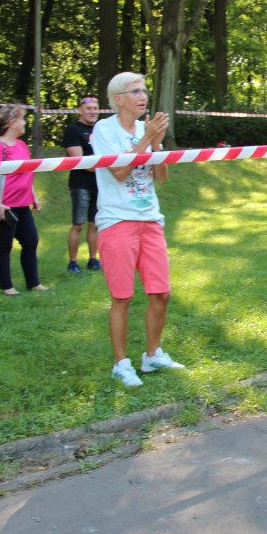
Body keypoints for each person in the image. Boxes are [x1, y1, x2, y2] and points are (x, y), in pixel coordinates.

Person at [92, 72, 182, 387]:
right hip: (117, 221)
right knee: (122, 297)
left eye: (144, 90)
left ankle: (152, 355)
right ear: (118, 99)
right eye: (135, 91)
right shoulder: (104, 130)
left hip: (151, 220)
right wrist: (146, 139)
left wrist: (155, 141)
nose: (143, 96)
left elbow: (162, 177)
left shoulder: (147, 129)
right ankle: (121, 363)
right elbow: (118, 171)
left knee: (162, 293)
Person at [0, 104, 49, 296]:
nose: (24, 122)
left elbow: (27, 173)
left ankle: (34, 283)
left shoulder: (21, 145)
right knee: (4, 246)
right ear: (12, 123)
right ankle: (7, 287)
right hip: (6, 206)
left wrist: (33, 196)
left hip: (23, 204)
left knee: (31, 242)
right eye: (22, 119)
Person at [62, 96, 102, 274]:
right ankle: (73, 263)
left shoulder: (101, 130)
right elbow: (80, 161)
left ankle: (93, 260)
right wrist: (108, 168)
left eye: (95, 108)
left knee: (94, 224)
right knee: (78, 224)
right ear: (80, 111)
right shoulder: (73, 130)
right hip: (81, 184)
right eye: (88, 109)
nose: (93, 112)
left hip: (100, 184)